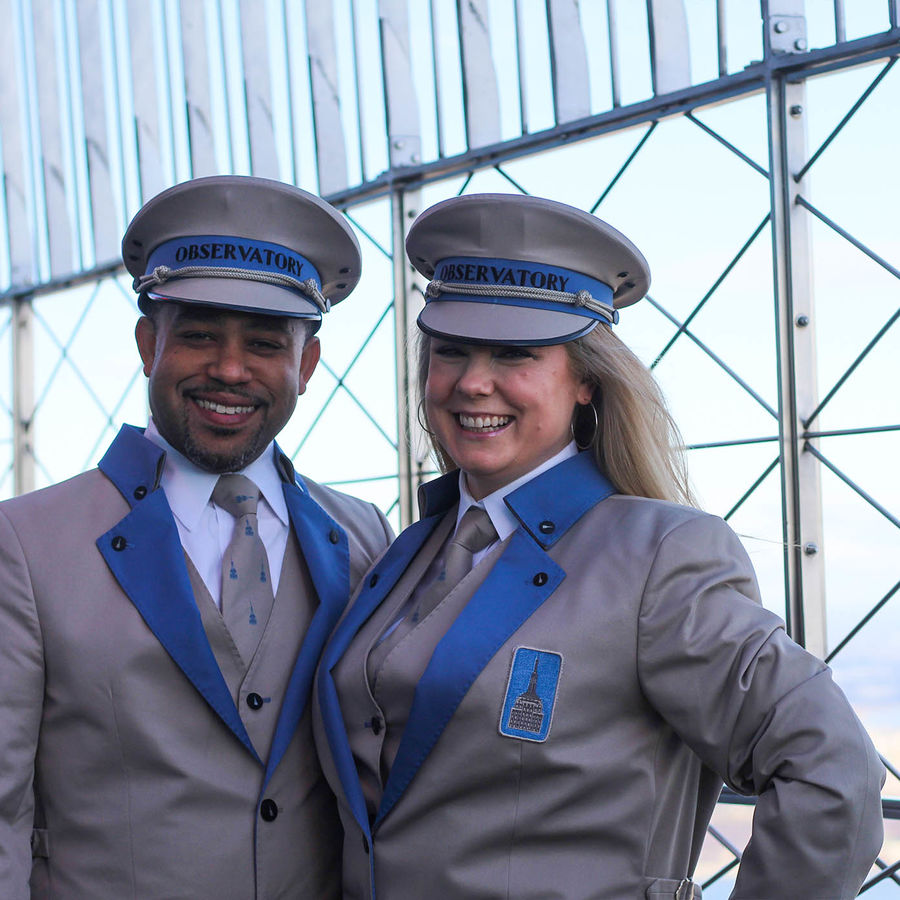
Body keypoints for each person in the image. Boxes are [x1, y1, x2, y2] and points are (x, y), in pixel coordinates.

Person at [312, 193, 885, 899]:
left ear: (586, 378)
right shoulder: (407, 553)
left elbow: (835, 772)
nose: (471, 382)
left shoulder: (660, 558)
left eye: (514, 354)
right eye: (451, 350)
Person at [0, 175, 393, 899]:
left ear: (306, 366)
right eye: (200, 335)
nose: (230, 369)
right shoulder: (23, 545)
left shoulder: (364, 535)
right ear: (149, 343)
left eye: (266, 343)